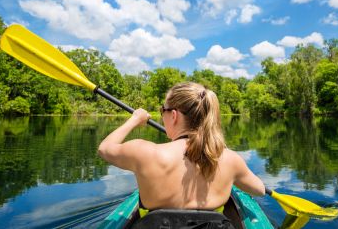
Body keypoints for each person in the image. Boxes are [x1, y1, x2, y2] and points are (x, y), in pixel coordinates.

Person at [98, 82, 265, 215]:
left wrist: (134, 120)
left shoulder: (144, 152)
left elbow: (105, 148)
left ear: (174, 115)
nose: (162, 115)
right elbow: (259, 190)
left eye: (162, 110)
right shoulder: (230, 159)